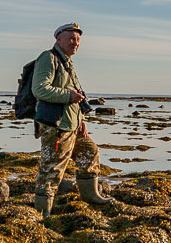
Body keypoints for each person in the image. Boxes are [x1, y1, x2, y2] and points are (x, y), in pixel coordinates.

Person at [29, 22, 115, 217]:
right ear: (58, 39)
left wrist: (81, 119)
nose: (75, 42)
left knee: (90, 151)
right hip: (57, 127)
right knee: (51, 171)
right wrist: (68, 96)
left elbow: (75, 96)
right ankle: (43, 215)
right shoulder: (48, 58)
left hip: (73, 125)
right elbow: (40, 89)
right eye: (71, 38)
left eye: (77, 39)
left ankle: (91, 196)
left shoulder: (67, 62)